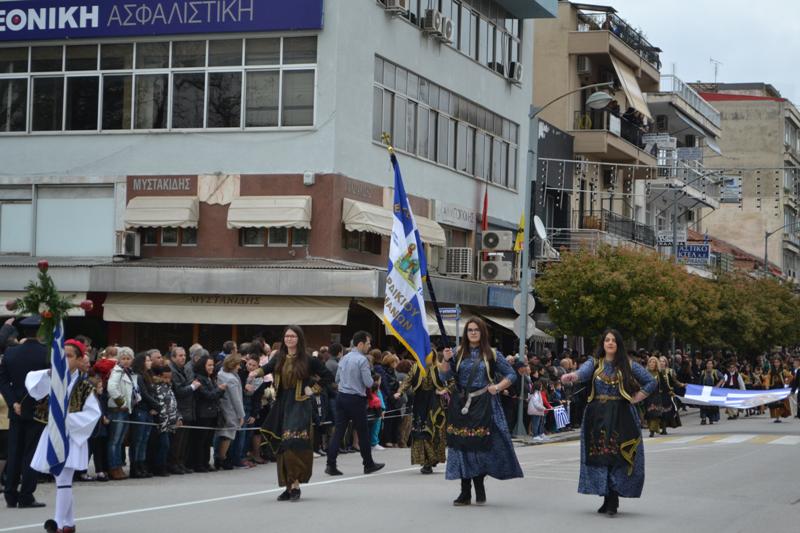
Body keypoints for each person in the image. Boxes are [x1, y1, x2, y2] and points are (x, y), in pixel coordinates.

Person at [561, 329, 656, 516]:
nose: (610, 343)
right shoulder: (595, 362)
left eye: (614, 340)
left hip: (622, 414)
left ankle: (613, 497)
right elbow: (583, 373)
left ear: (618, 344)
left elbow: (651, 382)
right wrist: (573, 376)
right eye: (607, 340)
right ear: (603, 344)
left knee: (618, 455)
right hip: (597, 415)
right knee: (601, 456)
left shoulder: (628, 364)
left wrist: (636, 398)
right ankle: (606, 497)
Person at [438, 317, 523, 507]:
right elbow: (443, 376)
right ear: (466, 333)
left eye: (476, 329)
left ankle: (479, 483)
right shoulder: (457, 353)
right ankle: (465, 491)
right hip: (462, 404)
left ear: (482, 332)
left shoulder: (492, 354)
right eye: (470, 330)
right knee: (462, 445)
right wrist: (445, 359)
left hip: (485, 403)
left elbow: (511, 375)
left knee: (481, 446)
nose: (473, 333)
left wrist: (498, 387)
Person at [247, 326, 332, 501]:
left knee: (293, 442)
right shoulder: (279, 356)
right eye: (287, 336)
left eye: (293, 336)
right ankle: (288, 486)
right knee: (282, 444)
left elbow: (328, 377)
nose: (289, 339)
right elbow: (267, 368)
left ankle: (295, 485)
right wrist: (255, 372)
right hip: (282, 403)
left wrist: (313, 389)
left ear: (299, 338)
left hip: (300, 404)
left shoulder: (308, 359)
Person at [26, 339, 101, 533]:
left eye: (69, 356)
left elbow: (93, 414)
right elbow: (33, 386)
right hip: (53, 434)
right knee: (62, 479)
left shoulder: (85, 386)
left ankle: (59, 523)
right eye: (61, 356)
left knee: (63, 478)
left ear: (79, 360)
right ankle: (68, 522)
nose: (64, 360)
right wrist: (48, 373)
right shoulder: (53, 379)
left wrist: (65, 421)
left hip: (72, 436)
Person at [0, 315, 49, 508]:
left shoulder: (10, 353)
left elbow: (3, 380)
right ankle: (26, 494)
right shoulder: (46, 353)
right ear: (39, 331)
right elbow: (49, 382)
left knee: (14, 451)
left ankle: (10, 494)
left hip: (16, 409)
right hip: (38, 408)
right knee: (32, 452)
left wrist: (13, 402)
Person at [325, 331, 385, 478]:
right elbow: (368, 383)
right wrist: (372, 380)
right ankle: (368, 464)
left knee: (339, 431)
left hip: (341, 396)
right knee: (362, 432)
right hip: (356, 398)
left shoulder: (344, 358)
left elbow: (337, 379)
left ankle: (331, 464)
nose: (369, 346)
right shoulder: (362, 360)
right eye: (368, 343)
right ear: (361, 344)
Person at [395, 352, 449, 474]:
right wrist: (400, 391)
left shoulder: (440, 368)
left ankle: (433, 458)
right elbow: (407, 381)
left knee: (435, 431)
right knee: (421, 431)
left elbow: (452, 381)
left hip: (435, 403)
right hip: (420, 402)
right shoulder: (415, 367)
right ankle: (427, 462)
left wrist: (444, 390)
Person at [190, 355, 225, 472]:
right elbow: (208, 395)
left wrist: (219, 390)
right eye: (209, 365)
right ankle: (198, 464)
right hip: (203, 413)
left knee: (207, 440)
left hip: (212, 413)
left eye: (212, 365)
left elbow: (215, 395)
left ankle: (205, 462)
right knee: (200, 440)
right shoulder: (199, 378)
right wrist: (220, 389)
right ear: (203, 366)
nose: (212, 367)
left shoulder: (210, 378)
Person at [168, 346, 199, 473]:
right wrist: (192, 387)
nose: (183, 358)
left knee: (183, 440)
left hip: (187, 408)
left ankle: (181, 463)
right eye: (180, 355)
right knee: (177, 440)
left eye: (184, 355)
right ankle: (174, 464)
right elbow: (179, 391)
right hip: (179, 408)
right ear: (173, 357)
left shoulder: (183, 369)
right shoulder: (172, 371)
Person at [129, 352, 159, 479]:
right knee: (138, 440)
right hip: (140, 410)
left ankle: (142, 465)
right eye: (147, 360)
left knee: (144, 440)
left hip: (148, 411)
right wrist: (157, 405)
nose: (150, 362)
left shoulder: (149, 375)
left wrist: (154, 406)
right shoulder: (138, 376)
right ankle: (135, 467)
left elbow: (153, 392)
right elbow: (144, 394)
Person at [215, 354, 244, 470]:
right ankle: (221, 458)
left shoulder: (221, 373)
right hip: (230, 409)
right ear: (232, 365)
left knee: (222, 434)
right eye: (238, 365)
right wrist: (241, 415)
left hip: (223, 407)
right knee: (228, 435)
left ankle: (220, 457)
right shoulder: (231, 379)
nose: (239, 367)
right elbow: (236, 399)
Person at [766, 357, 791, 423]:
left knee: (780, 402)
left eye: (777, 362)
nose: (776, 363)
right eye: (775, 362)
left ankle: (779, 415)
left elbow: (790, 376)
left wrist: (786, 382)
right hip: (773, 387)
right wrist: (767, 385)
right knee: (774, 403)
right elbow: (768, 378)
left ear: (780, 363)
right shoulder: (771, 370)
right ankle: (776, 417)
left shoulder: (783, 370)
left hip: (780, 387)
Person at [699, 360, 723, 425]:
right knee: (704, 405)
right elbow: (700, 382)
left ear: (712, 365)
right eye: (708, 364)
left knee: (712, 406)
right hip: (705, 392)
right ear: (706, 365)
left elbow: (722, 378)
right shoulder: (703, 372)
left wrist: (717, 386)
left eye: (710, 364)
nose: (709, 365)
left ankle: (711, 418)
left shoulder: (716, 372)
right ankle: (703, 418)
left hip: (712, 392)